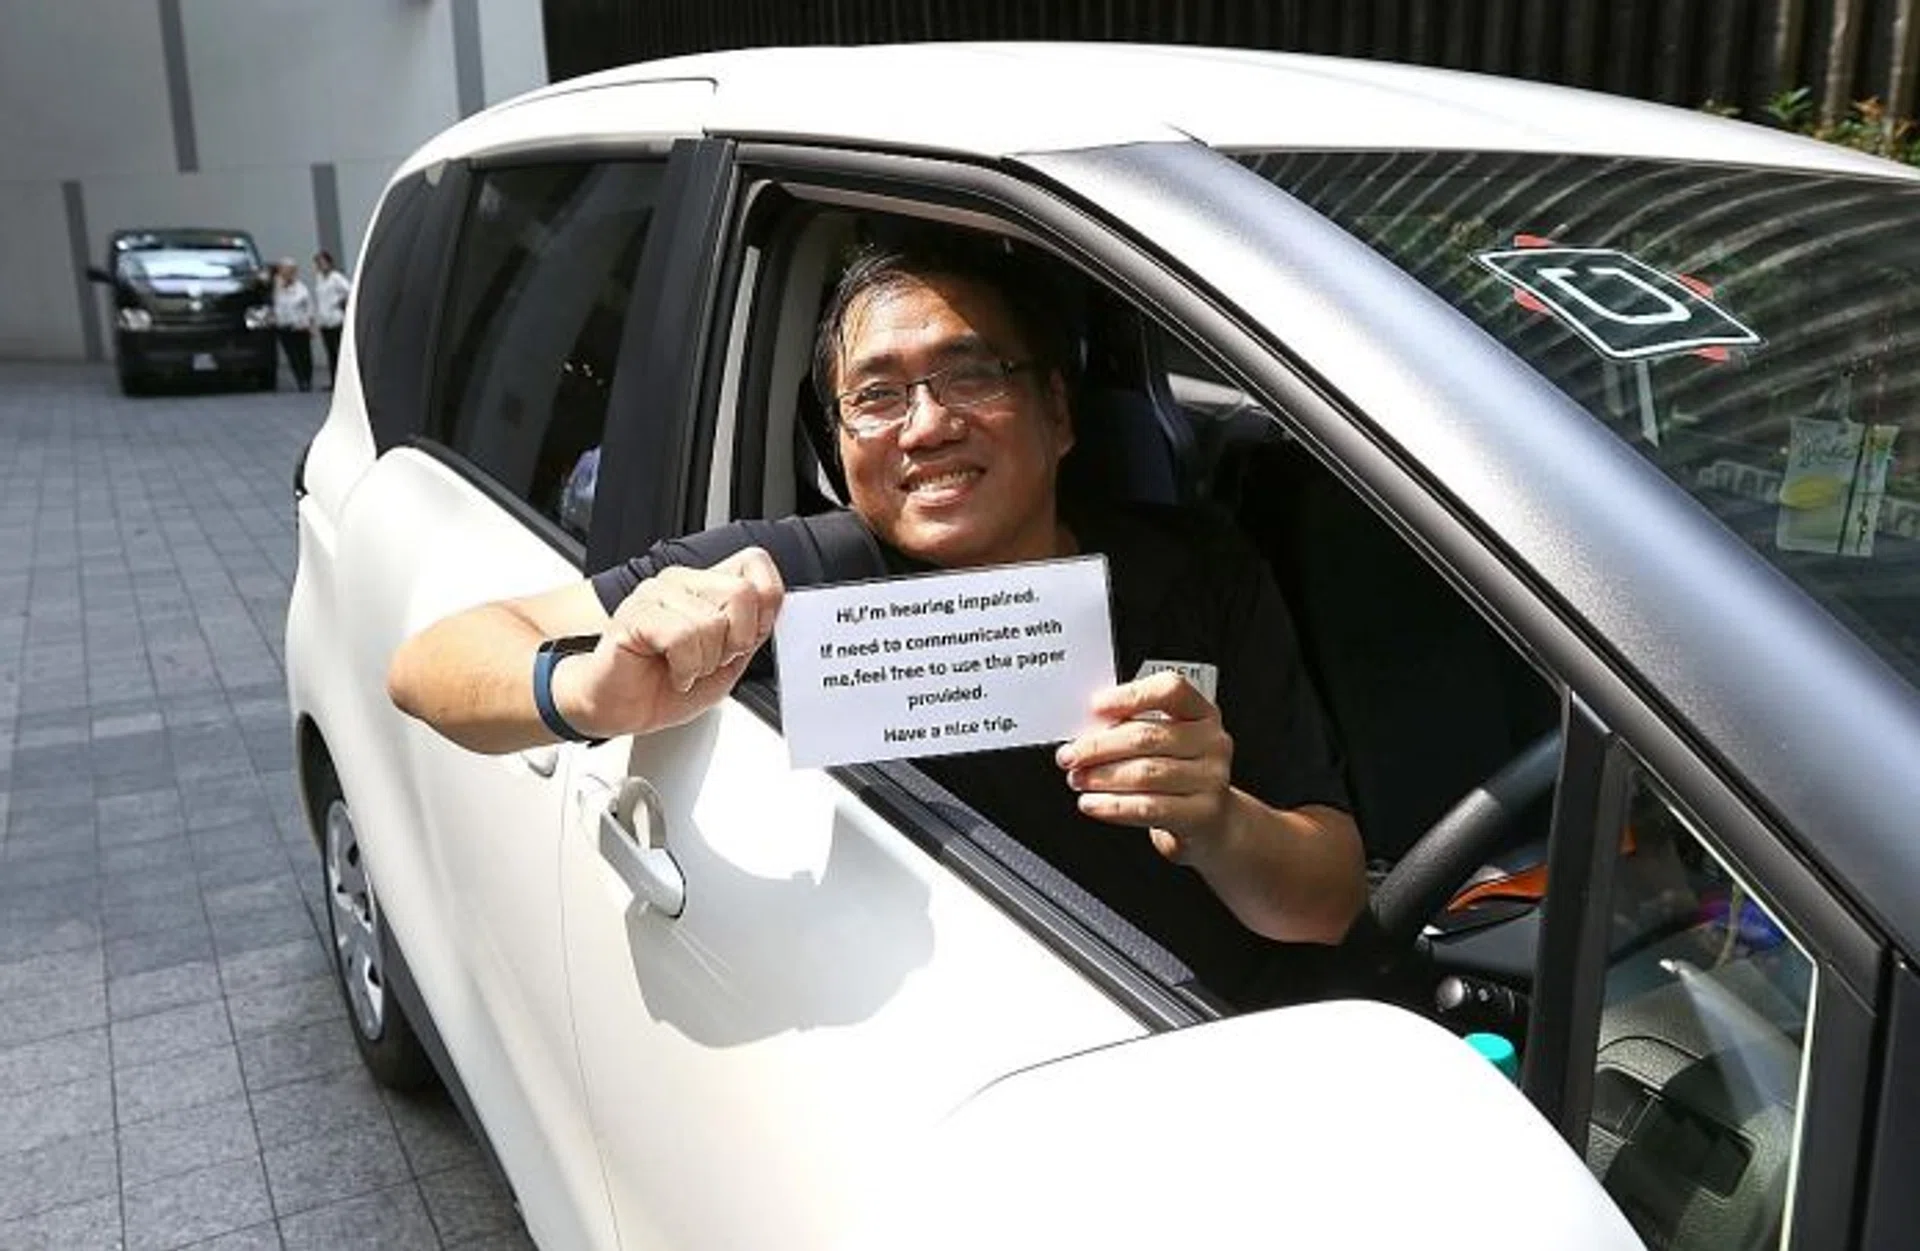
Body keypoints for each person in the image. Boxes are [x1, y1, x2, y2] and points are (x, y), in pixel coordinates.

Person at [386, 232, 1367, 1006]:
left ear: (1059, 413)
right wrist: (589, 686)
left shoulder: (1194, 572)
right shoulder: (788, 578)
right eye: (879, 395)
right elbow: (430, 665)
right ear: (843, 446)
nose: (928, 424)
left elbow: (1327, 901)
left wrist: (1222, 824)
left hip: (1209, 1032)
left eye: (971, 374)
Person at [271, 258, 316, 392]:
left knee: (304, 354)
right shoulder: (276, 288)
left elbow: (309, 307)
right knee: (292, 355)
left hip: (300, 326)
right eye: (283, 270)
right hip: (284, 326)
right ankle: (300, 380)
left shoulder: (301, 288)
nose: (285, 273)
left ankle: (307, 379)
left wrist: (311, 325)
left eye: (289, 270)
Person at [312, 249, 352, 388]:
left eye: (323, 262)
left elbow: (349, 290)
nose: (320, 266)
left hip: (336, 319)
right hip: (324, 320)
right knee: (330, 353)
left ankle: (344, 382)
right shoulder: (319, 279)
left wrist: (341, 303)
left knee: (338, 351)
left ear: (329, 263)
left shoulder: (336, 277)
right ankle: (334, 381)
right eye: (318, 263)